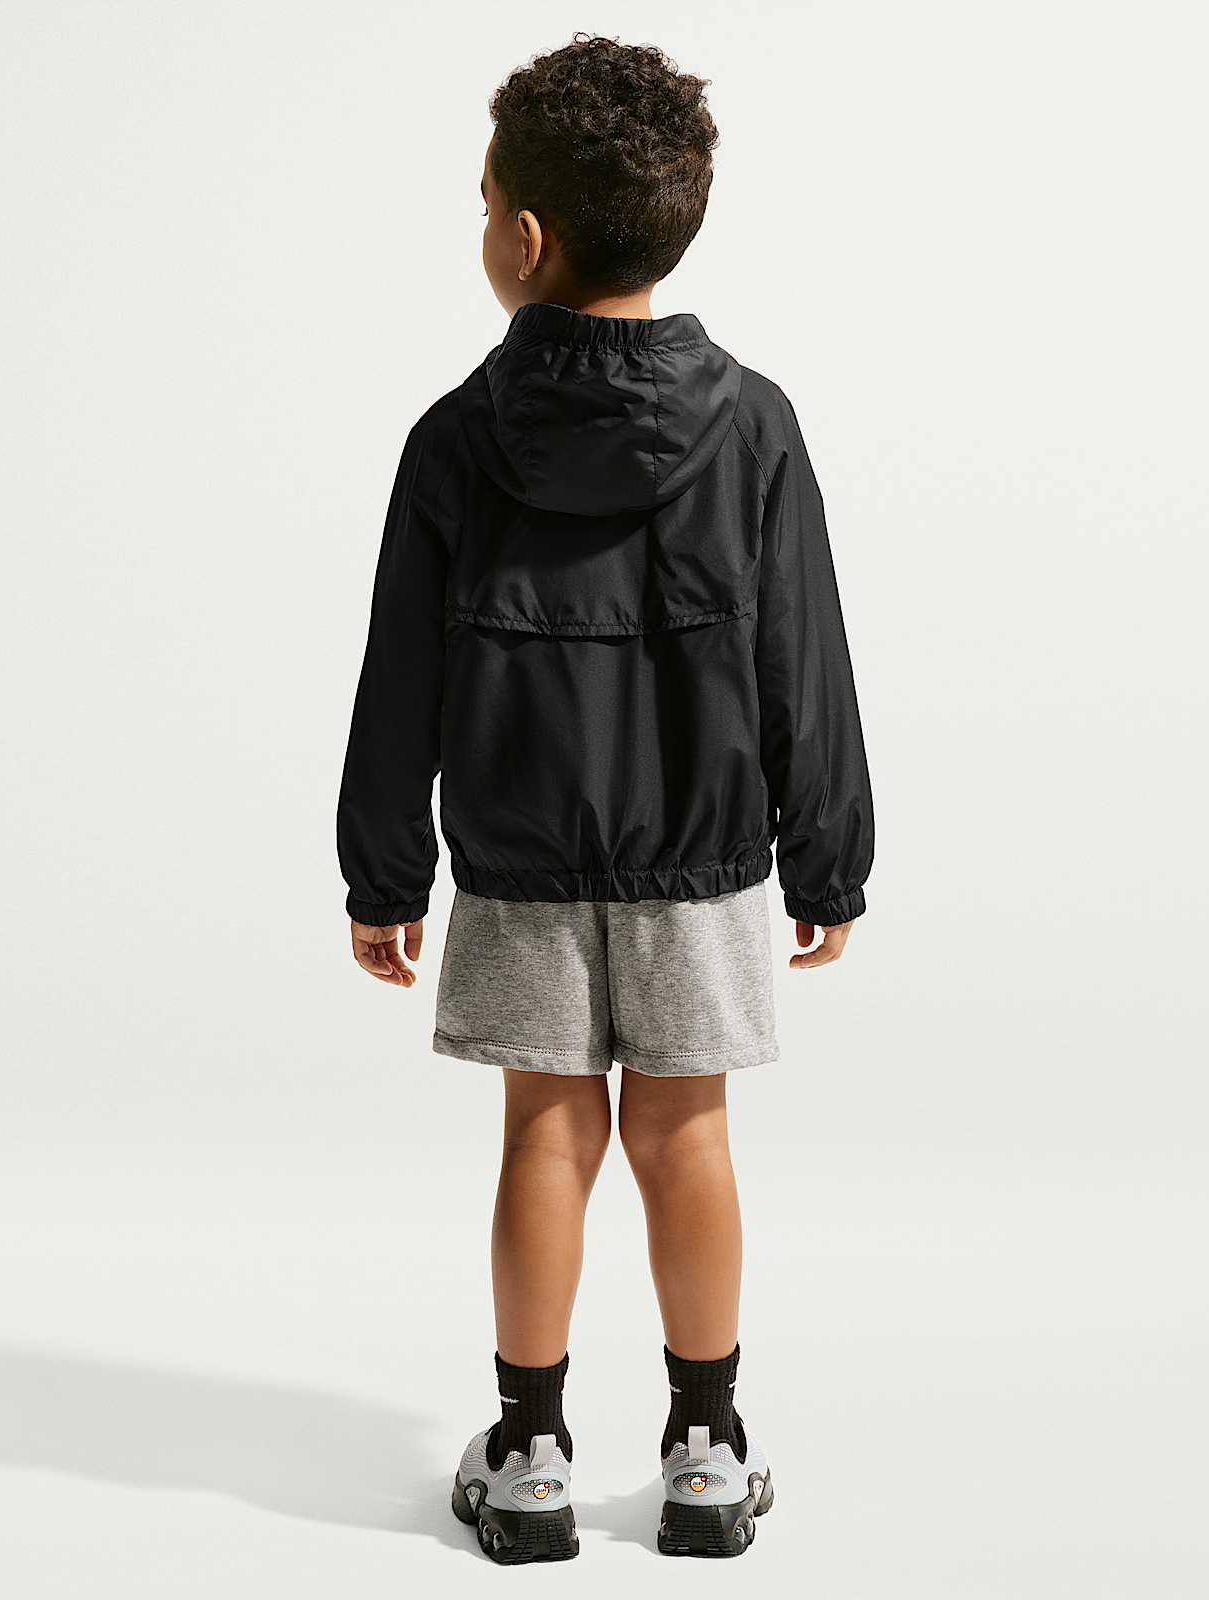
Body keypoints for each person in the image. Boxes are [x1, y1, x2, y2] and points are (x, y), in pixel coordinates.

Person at [336, 33, 873, 1565]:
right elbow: (804, 656)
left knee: (546, 1140)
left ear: (523, 237)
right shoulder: (754, 425)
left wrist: (385, 874)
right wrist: (830, 860)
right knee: (689, 1142)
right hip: (702, 865)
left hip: (519, 867)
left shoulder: (455, 440)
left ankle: (528, 1456)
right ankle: (707, 1453)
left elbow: (400, 681)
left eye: (483, 202)